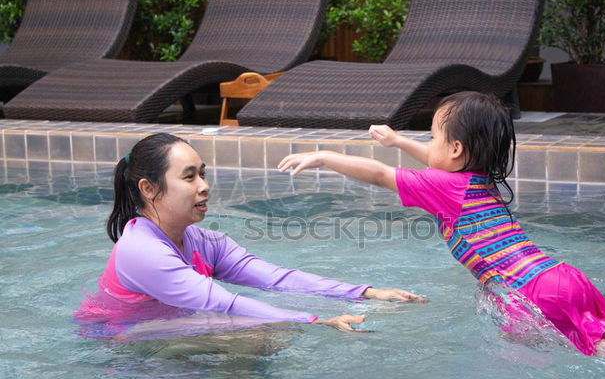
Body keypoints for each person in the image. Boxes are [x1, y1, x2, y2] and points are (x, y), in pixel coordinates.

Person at [278, 91, 605, 362]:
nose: (429, 145)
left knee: (519, 361)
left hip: (531, 296)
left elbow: (378, 174)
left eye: (432, 136)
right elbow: (441, 163)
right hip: (560, 278)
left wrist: (323, 156)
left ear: (455, 148)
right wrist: (398, 140)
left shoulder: (447, 189)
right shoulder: (477, 180)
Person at [74, 133, 424, 341]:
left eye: (204, 174)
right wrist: (318, 322)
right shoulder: (141, 251)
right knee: (256, 333)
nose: (204, 186)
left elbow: (276, 279)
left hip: (165, 330)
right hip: (122, 342)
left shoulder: (203, 242)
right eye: (190, 177)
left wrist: (365, 292)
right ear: (149, 189)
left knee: (258, 332)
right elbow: (222, 303)